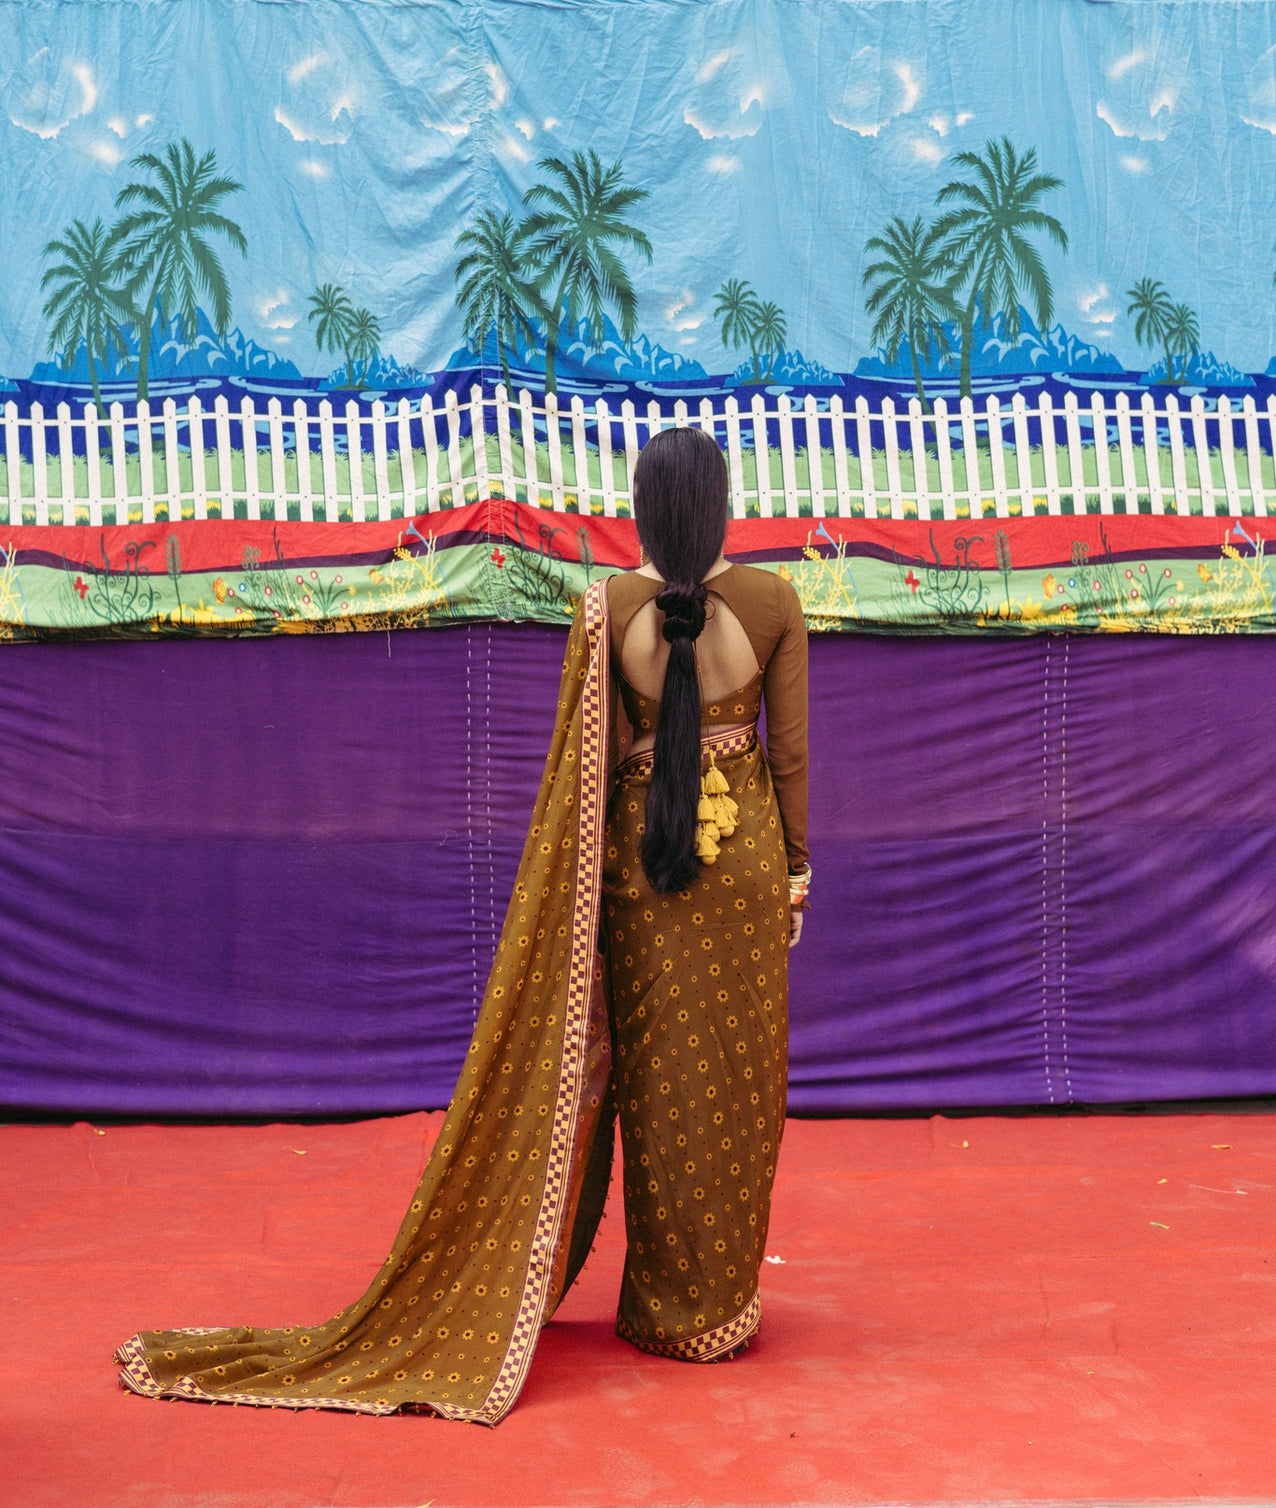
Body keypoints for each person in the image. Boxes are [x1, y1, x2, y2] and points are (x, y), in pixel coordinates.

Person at [115, 424, 809, 1424]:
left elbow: (595, 766)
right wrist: (794, 873)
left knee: (654, 1082)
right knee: (734, 1081)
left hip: (638, 875)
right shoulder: (778, 601)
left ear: (645, 508)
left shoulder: (604, 607)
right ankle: (705, 1308)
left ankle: (656, 1300)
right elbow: (788, 760)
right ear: (724, 502)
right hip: (738, 872)